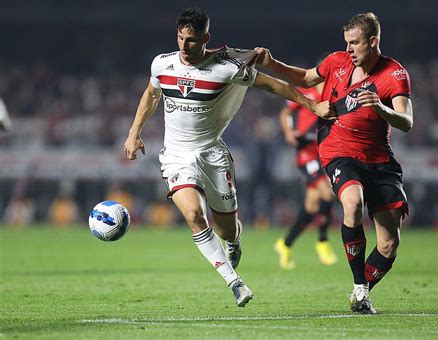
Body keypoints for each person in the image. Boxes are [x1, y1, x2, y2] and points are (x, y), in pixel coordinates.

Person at [123, 7, 328, 307]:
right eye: (180, 38)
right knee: (194, 215)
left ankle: (234, 240)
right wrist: (134, 132)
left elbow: (274, 85)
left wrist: (311, 106)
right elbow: (152, 94)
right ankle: (235, 282)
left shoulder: (228, 68)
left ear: (206, 38)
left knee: (226, 229)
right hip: (176, 155)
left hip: (213, 155)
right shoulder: (162, 64)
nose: (183, 46)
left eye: (191, 40)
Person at [255, 12, 413, 314]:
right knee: (352, 202)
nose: (349, 49)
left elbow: (406, 122)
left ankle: (362, 291)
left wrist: (380, 107)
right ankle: (357, 286)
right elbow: (304, 78)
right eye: (347, 43)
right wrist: (271, 63)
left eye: (354, 43)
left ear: (373, 41)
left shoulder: (394, 74)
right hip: (338, 149)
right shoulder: (336, 62)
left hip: (379, 159)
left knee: (389, 244)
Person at [274, 80, 337, 269]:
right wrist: (288, 132)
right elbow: (285, 113)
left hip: (321, 152)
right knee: (327, 192)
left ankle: (285, 244)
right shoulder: (306, 93)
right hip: (305, 153)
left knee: (312, 205)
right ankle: (323, 241)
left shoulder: (332, 96)